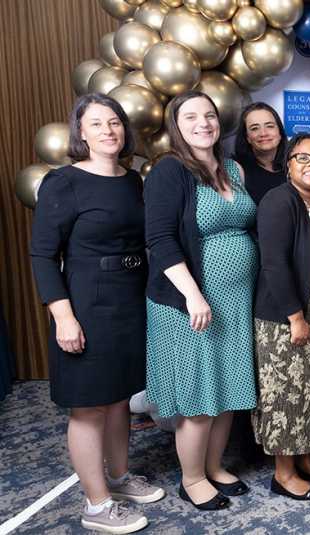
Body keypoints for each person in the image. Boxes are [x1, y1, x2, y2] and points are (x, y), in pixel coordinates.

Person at [30, 93, 163, 534]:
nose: (109, 130)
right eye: (97, 124)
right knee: (88, 406)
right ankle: (96, 503)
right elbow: (43, 256)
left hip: (129, 298)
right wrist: (63, 317)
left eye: (115, 123)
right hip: (86, 302)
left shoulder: (131, 181)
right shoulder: (62, 182)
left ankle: (120, 479)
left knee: (120, 396)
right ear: (80, 132)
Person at [144, 91, 258, 511]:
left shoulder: (233, 168)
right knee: (199, 395)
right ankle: (191, 479)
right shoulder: (170, 171)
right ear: (177, 125)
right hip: (191, 304)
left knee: (228, 387)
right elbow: (159, 239)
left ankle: (213, 466)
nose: (203, 123)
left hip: (235, 300)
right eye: (190, 117)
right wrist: (194, 295)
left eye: (209, 115)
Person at [253, 133, 310, 501]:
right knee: (286, 392)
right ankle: (284, 473)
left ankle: (307, 459)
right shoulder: (279, 201)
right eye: (303, 157)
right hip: (289, 312)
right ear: (287, 163)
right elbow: (274, 265)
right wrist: (296, 317)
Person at [233, 102, 287, 205]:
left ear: (280, 132)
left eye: (270, 126)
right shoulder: (235, 170)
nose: (263, 133)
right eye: (254, 128)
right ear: (247, 137)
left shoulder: (294, 166)